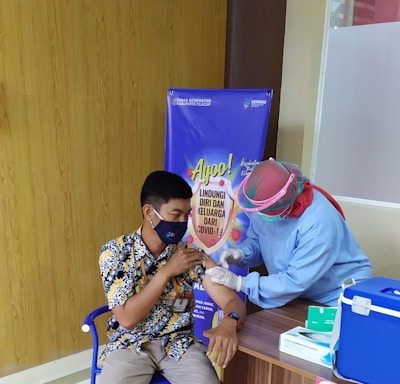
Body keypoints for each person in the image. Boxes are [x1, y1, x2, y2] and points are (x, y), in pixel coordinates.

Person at [98, 170, 246, 384]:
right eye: (175, 215)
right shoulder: (116, 253)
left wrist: (229, 322)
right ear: (149, 212)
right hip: (131, 345)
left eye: (187, 215)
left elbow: (233, 301)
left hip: (180, 345)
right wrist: (167, 271)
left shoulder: (189, 255)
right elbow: (127, 319)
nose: (182, 222)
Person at [206, 158, 372, 309]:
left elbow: (295, 280)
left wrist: (241, 283)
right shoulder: (267, 204)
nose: (260, 215)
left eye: (265, 211)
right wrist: (242, 254)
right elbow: (260, 238)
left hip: (335, 296)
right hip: (299, 293)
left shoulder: (318, 223)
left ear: (281, 204)